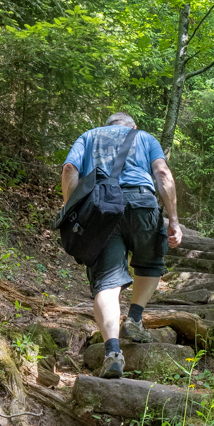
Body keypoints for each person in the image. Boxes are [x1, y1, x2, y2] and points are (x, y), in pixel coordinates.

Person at [62, 113, 183, 379]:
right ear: (132, 127)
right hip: (142, 203)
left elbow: (70, 169)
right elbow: (162, 173)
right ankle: (135, 319)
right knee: (150, 263)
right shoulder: (145, 138)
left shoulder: (89, 136)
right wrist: (173, 220)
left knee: (106, 283)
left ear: (108, 126)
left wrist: (71, 213)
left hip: (101, 209)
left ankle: (113, 352)